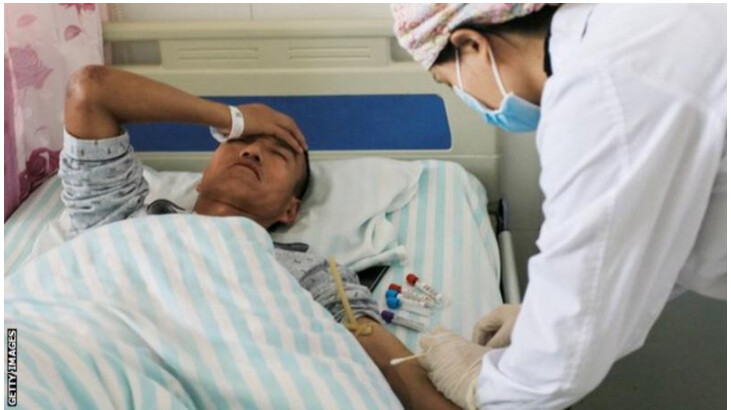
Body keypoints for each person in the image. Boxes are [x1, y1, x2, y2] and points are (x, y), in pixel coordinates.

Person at [61, 64, 458, 409]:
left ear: (290, 210)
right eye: (240, 141)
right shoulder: (122, 218)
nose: (251, 152)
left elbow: (393, 368)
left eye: (278, 153)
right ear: (201, 179)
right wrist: (231, 118)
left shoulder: (306, 271)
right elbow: (90, 90)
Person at [391, 3, 726, 409]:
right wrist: (538, 315)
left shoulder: (601, 90)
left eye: (449, 83)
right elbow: (637, 244)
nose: (468, 101)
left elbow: (561, 359)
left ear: (472, 44)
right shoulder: (627, 29)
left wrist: (483, 383)